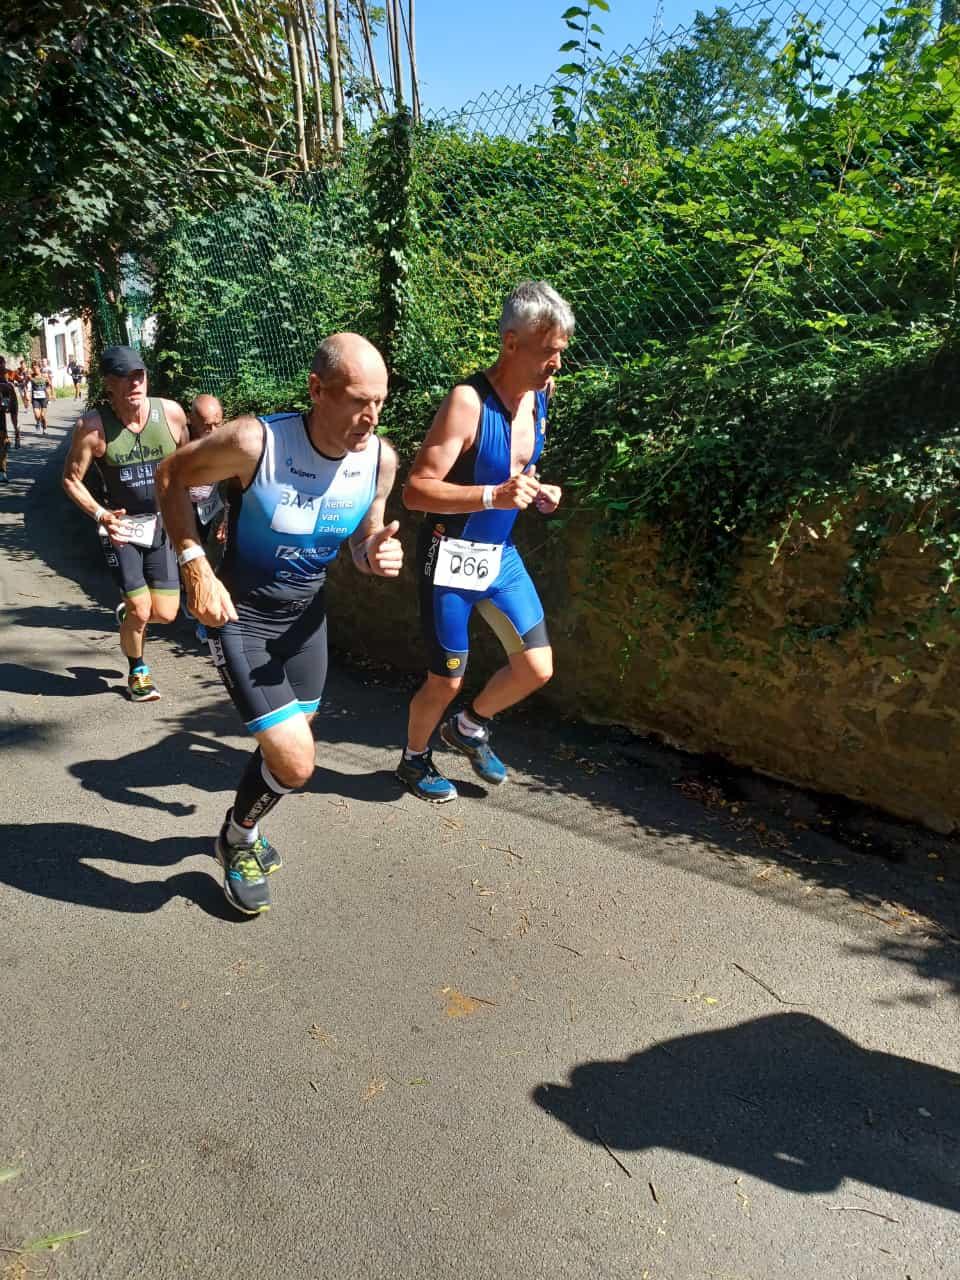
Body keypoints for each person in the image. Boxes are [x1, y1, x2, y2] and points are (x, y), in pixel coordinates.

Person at [157, 333, 403, 917]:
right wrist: (194, 566)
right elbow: (170, 476)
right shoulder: (255, 442)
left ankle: (236, 833)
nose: (369, 418)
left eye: (380, 403)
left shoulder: (380, 459)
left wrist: (374, 554)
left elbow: (366, 538)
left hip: (305, 620)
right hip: (241, 617)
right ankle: (238, 840)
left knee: (285, 748)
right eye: (356, 401)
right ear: (317, 390)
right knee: (296, 761)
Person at [397, 280, 573, 803]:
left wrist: (538, 489)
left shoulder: (541, 395)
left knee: (537, 666)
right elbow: (415, 491)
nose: (556, 366)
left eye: (561, 353)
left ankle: (468, 728)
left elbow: (523, 463)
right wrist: (495, 494)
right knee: (445, 679)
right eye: (548, 353)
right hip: (449, 556)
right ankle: (414, 760)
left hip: (500, 557)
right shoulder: (466, 402)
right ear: (512, 343)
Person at [62, 345, 188, 701]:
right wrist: (101, 514)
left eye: (139, 376)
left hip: (160, 526)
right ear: (109, 385)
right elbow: (71, 479)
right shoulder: (94, 427)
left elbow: (187, 465)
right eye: (124, 379)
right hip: (120, 528)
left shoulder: (172, 415)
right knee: (141, 609)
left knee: (165, 612)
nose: (134, 384)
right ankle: (138, 670)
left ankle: (129, 616)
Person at [0, 358, 20, 454]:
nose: (0, 366)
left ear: (4, 363)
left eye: (1, 363)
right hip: (1, 402)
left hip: (12, 400)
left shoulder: (11, 372)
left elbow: (21, 380)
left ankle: (17, 436)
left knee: (14, 421)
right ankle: (6, 440)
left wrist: (18, 382)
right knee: (2, 423)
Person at [28, 360, 50, 433]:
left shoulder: (44, 376)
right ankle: (38, 422)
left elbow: (49, 385)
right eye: (33, 368)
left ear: (39, 368)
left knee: (43, 416)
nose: (35, 370)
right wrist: (27, 395)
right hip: (35, 399)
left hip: (43, 398)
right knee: (37, 416)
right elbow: (25, 385)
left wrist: (51, 394)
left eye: (36, 368)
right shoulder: (30, 376)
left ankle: (44, 428)